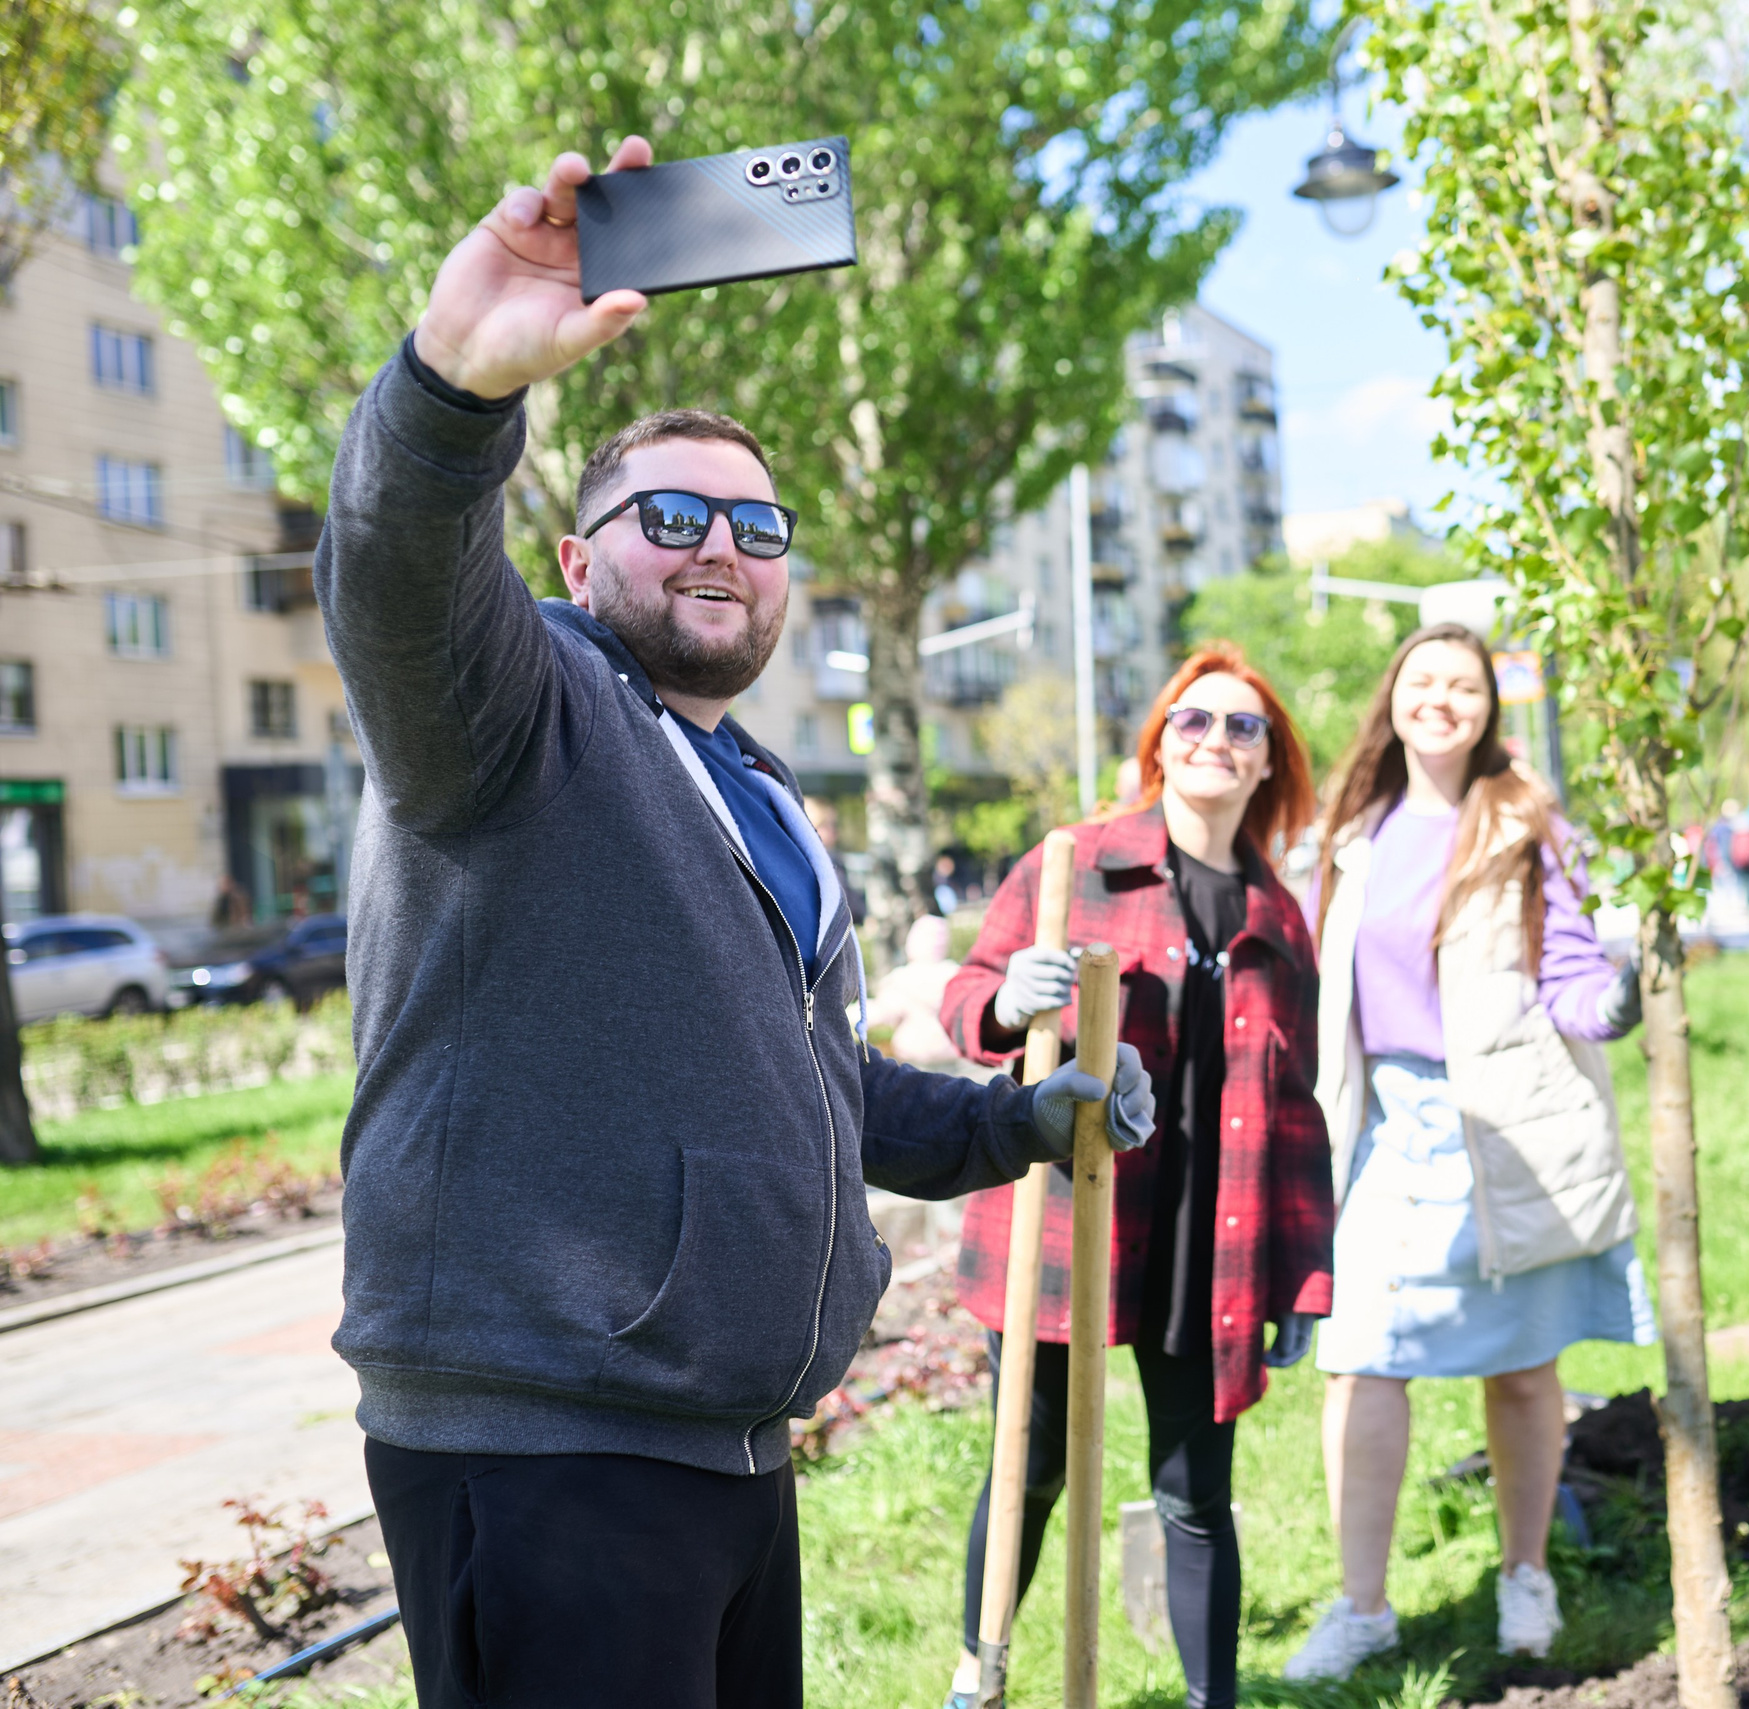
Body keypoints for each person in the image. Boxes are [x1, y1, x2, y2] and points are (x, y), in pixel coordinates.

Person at [314, 135, 1156, 1709]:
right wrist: (453, 386)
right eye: (673, 515)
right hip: (548, 1436)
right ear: (576, 559)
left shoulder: (751, 788)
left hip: (720, 1437)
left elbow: (805, 1083)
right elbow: (393, 574)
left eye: (759, 529)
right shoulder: (519, 707)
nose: (722, 546)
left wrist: (1019, 1121)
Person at [940, 642, 1336, 1709]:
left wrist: (1304, 1275)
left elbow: (1296, 1108)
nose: (1213, 738)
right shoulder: (1075, 861)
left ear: (1268, 762)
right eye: (1192, 720)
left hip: (1215, 1234)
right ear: (1159, 742)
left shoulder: (1278, 913)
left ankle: (1216, 1698)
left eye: (1241, 726)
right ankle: (978, 1678)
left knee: (1196, 1489)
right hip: (1071, 1218)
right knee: (1029, 1464)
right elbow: (969, 995)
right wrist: (1007, 1002)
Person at [1286, 623, 1650, 1680]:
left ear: (1491, 707)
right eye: (1423, 680)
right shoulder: (1353, 830)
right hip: (1388, 1123)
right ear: (1392, 696)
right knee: (1358, 1358)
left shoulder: (1527, 823)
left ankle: (1524, 1571)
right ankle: (1362, 1606)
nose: (1441, 699)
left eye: (1465, 685)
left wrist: (1618, 997)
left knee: (1525, 1369)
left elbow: (1569, 973)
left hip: (1507, 1118)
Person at [867, 914, 966, 1068]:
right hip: (949, 1053)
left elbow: (884, 1013)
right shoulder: (956, 975)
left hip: (913, 1056)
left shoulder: (902, 979)